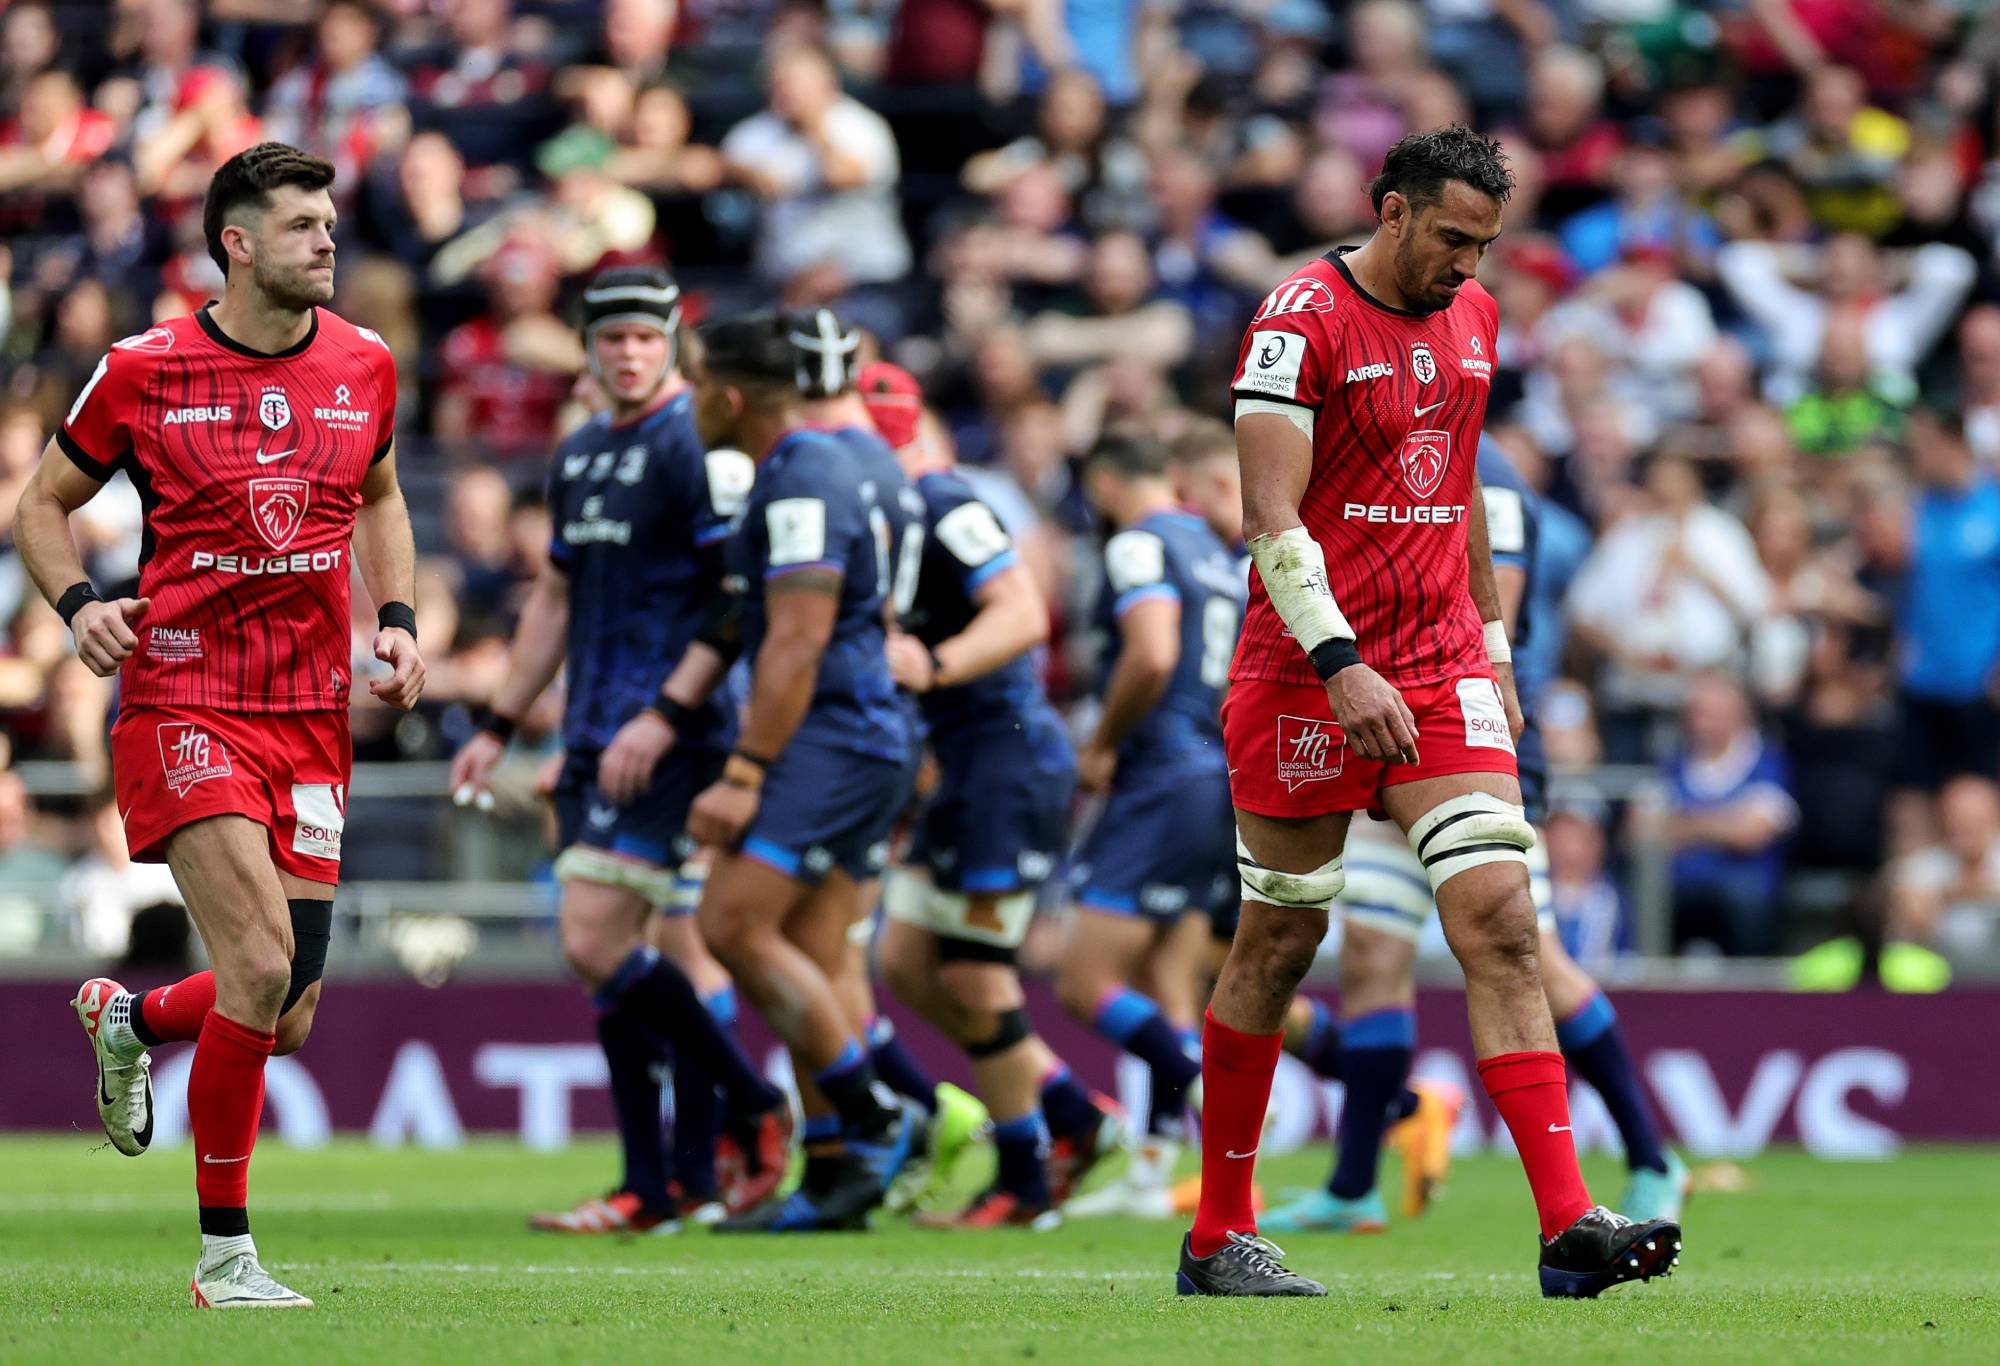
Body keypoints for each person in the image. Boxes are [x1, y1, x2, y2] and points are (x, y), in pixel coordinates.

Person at [1180, 125, 1680, 1299]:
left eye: (1486, 243)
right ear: (1391, 211)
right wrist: (1340, 661)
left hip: (1439, 657)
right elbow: (1269, 518)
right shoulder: (1294, 319)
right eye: (1452, 238)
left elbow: (1455, 493)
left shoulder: (1476, 319)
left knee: (1501, 919)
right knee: (1279, 939)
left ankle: (1566, 1227)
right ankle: (1215, 1235)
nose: (1468, 264)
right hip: (1306, 667)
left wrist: (1493, 645)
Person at [14, 142, 425, 1309]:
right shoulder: (145, 369)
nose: (327, 241)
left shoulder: (366, 364)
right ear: (236, 243)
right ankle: (225, 1260)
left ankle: (131, 1017)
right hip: (184, 695)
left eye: (330, 221)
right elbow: (39, 506)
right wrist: (82, 604)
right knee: (252, 963)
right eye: (302, 225)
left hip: (310, 715)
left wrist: (393, 617)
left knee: (283, 1015)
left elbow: (382, 498)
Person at [1263, 438, 1687, 1236]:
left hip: (1474, 737)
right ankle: (1354, 1183)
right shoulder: (1385, 469)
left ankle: (1654, 1159)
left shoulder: (1483, 481)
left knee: (1535, 960)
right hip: (1390, 733)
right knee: (1371, 958)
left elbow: (1497, 616)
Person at [446, 266, 791, 1234]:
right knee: (620, 960)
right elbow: (555, 599)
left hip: (672, 733)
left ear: (673, 340)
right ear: (588, 349)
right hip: (596, 732)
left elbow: (736, 597)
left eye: (647, 337)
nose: (630, 354)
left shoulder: (699, 444)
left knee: (595, 937)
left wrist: (665, 714)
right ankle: (657, 1182)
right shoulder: (584, 450)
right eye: (613, 340)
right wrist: (500, 724)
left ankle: (750, 1109)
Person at [681, 312, 924, 1233]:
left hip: (834, 738)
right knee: (815, 955)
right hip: (863, 734)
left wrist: (744, 770)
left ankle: (871, 1116)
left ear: (731, 397)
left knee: (730, 922)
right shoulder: (837, 462)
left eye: (699, 384)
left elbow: (796, 640)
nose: (692, 400)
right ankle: (832, 1177)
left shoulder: (801, 477)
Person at [862, 360, 1120, 1227]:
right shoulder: (887, 515)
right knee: (904, 959)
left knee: (975, 976)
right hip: (961, 767)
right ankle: (1072, 1115)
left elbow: (1020, 613)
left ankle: (1024, 1177)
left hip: (1007, 762)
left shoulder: (944, 504)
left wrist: (932, 664)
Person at [775, 309, 987, 1214]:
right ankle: (894, 1122)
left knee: (793, 944)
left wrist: (934, 668)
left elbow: (1022, 609)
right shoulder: (895, 488)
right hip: (892, 740)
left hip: (876, 742)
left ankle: (914, 1117)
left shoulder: (924, 496)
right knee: (843, 955)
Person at [1054, 428, 1245, 1220]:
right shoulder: (1214, 552)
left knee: (1081, 984)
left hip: (1159, 777)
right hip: (1215, 775)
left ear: (1103, 482)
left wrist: (1099, 743)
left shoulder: (1138, 545)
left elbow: (1153, 653)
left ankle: (1196, 1074)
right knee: (1168, 978)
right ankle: (1151, 1175)